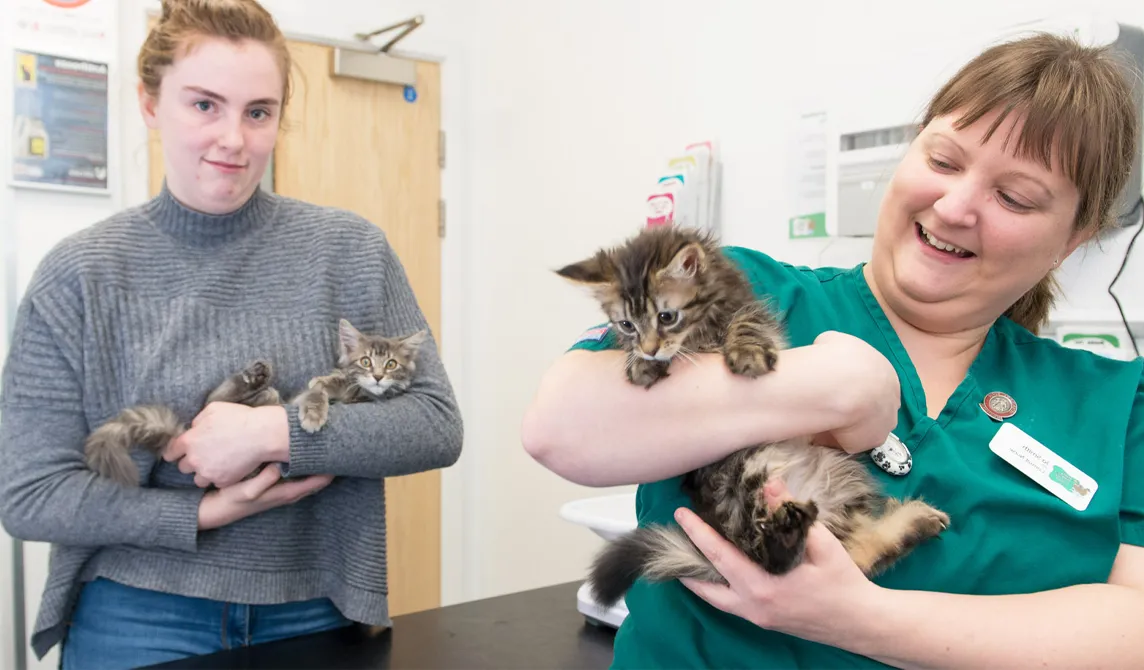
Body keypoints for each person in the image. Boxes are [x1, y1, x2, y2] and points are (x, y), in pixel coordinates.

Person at [523, 32, 1144, 669]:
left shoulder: (1119, 404)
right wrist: (827, 384)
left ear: (1073, 239)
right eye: (943, 161)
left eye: (1013, 197)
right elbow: (560, 429)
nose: (955, 206)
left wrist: (858, 619)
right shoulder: (745, 292)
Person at [0, 0, 461, 667]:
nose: (233, 140)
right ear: (150, 104)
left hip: (314, 607)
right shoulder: (79, 274)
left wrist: (274, 433)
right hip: (136, 612)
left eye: (258, 112)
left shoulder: (349, 251)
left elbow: (435, 425)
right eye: (204, 105)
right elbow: (30, 494)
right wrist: (201, 515)